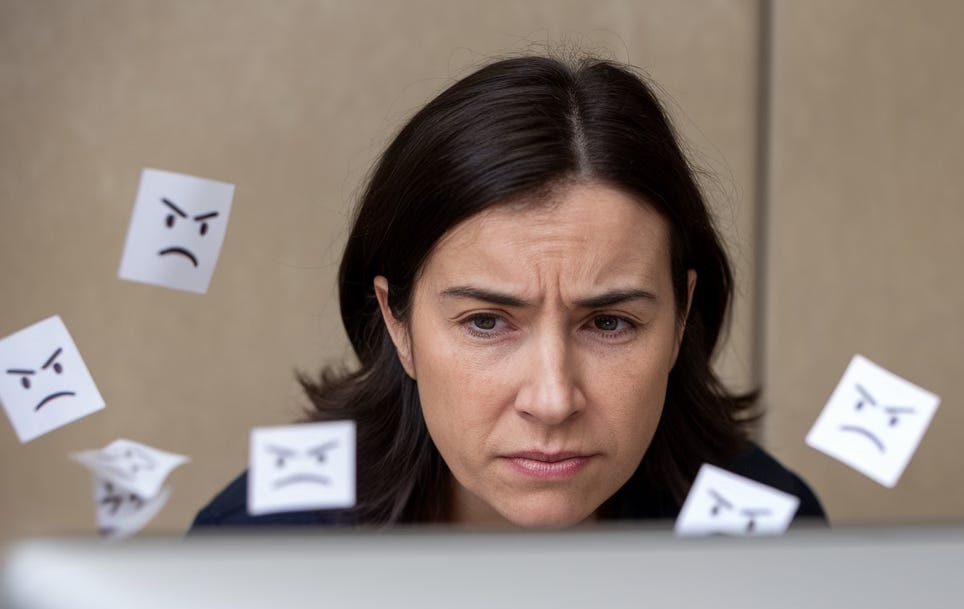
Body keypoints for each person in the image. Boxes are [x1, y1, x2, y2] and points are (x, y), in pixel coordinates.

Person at [191, 54, 824, 529]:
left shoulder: (771, 532)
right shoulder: (262, 544)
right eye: (487, 322)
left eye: (609, 324)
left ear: (681, 319)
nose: (552, 401)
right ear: (397, 323)